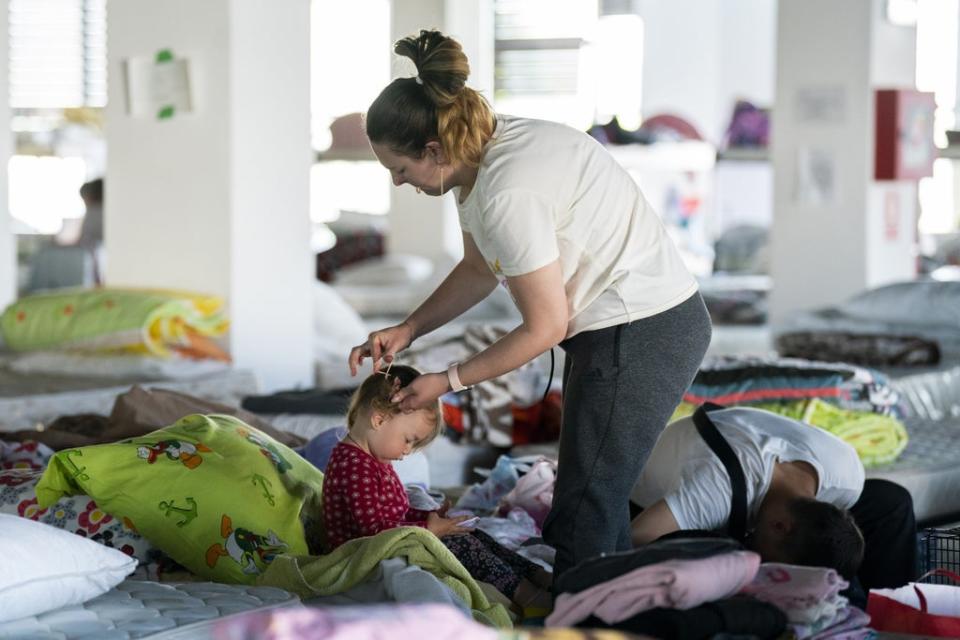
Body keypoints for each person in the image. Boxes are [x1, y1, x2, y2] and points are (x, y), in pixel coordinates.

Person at [348, 29, 712, 582]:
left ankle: (583, 616)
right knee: (592, 494)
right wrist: (411, 328)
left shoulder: (506, 191)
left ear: (432, 150)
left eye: (399, 169)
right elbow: (478, 270)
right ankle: (611, 605)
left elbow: (545, 326)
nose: (399, 183)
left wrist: (448, 380)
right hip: (623, 327)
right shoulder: (479, 162)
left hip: (644, 328)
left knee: (585, 504)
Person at [322, 364, 553, 612]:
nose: (407, 451)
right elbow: (374, 530)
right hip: (363, 555)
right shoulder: (354, 466)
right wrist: (428, 529)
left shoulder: (373, 459)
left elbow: (394, 513)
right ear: (378, 419)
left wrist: (428, 517)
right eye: (408, 440)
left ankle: (534, 573)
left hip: (391, 541)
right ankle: (526, 595)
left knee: (468, 533)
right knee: (461, 546)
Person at [630, 406, 917, 596]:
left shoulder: (847, 477)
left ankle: (884, 620)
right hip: (655, 500)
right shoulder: (712, 493)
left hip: (738, 466)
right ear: (780, 526)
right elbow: (639, 535)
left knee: (891, 502)